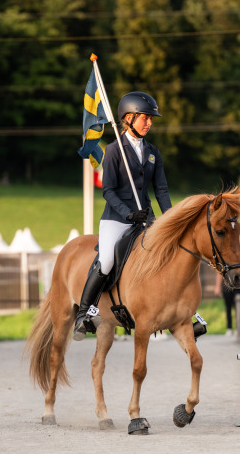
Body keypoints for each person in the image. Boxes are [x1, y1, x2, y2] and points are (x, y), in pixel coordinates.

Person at [73, 92, 172, 341]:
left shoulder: (152, 152)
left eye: (151, 119)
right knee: (106, 260)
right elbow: (108, 191)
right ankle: (84, 314)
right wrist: (128, 213)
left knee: (168, 254)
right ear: (129, 118)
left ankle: (177, 313)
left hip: (146, 218)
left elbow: (160, 189)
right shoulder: (115, 151)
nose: (149, 123)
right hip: (116, 219)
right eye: (145, 118)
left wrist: (170, 219)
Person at [214, 259, 240, 336]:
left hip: (238, 287)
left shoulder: (239, 258)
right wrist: (217, 287)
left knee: (237, 308)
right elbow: (219, 274)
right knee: (228, 308)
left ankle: (237, 329)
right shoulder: (224, 260)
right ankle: (229, 328)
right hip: (227, 287)